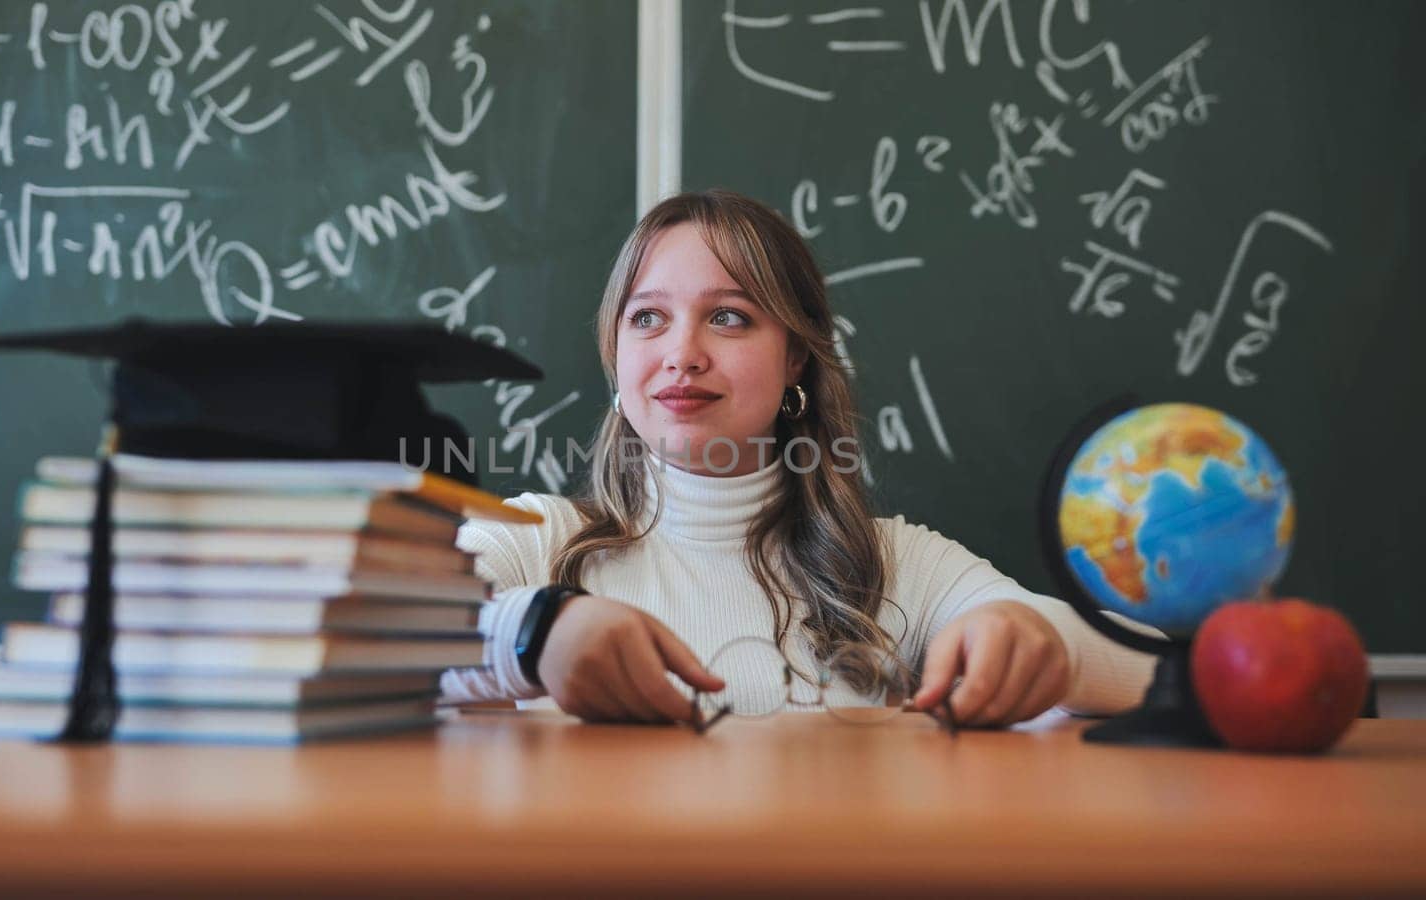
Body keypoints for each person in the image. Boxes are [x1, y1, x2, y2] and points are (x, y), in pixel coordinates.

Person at [440, 190, 1158, 726]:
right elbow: (349, 635)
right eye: (647, 318)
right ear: (617, 361)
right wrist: (536, 634)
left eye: (729, 317)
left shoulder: (895, 566)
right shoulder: (533, 542)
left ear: (794, 362)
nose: (681, 356)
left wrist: (1048, 645)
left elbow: (1159, 667)